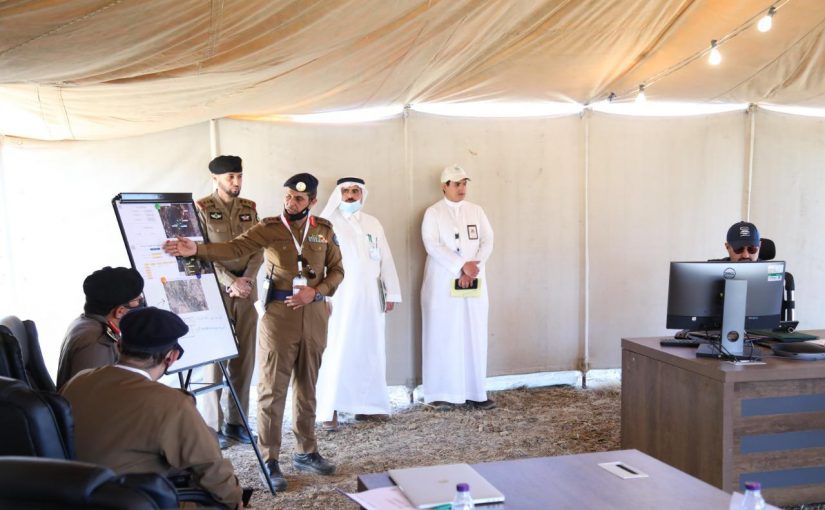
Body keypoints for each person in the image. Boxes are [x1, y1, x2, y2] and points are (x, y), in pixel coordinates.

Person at [162, 173, 344, 492]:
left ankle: (306, 451)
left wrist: (316, 292)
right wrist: (196, 250)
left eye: (299, 198)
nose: (291, 202)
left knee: (307, 386)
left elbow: (338, 270)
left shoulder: (324, 230)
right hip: (279, 316)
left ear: (313, 201)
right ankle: (269, 459)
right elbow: (233, 247)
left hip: (314, 315)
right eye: (288, 196)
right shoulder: (269, 227)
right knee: (272, 389)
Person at [60, 307, 243, 509]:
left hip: (68, 496)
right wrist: (235, 501)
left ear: (119, 346)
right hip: (131, 500)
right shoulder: (172, 403)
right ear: (171, 357)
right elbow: (212, 469)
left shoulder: (78, 381)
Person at [315, 177, 402, 430]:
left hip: (371, 296)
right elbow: (319, 263)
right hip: (340, 296)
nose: (351, 195)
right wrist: (324, 296)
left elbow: (385, 258)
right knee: (337, 348)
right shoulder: (327, 222)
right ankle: (328, 408)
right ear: (338, 194)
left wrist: (391, 293)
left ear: (362, 194)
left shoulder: (372, 222)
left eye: (355, 191)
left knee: (369, 347)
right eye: (346, 191)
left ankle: (368, 406)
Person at [196, 155, 263, 446]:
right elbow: (199, 252)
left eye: (239, 176)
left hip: (246, 291)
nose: (236, 182)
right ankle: (212, 427)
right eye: (230, 177)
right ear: (215, 179)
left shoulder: (249, 208)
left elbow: (259, 247)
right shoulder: (201, 209)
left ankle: (238, 422)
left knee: (245, 359)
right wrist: (230, 281)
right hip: (217, 291)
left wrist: (246, 280)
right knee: (215, 359)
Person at [421, 165, 495, 411]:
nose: (461, 188)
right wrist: (461, 265)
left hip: (474, 280)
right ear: (444, 186)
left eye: (464, 183)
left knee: (474, 332)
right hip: (443, 281)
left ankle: (475, 391)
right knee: (444, 332)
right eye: (456, 184)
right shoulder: (433, 212)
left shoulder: (476, 211)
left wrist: (473, 266)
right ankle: (442, 393)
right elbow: (431, 244)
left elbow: (488, 240)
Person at [56, 266, 144, 390]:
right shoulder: (98, 342)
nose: (141, 305)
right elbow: (89, 396)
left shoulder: (86, 322)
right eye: (138, 300)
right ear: (120, 311)